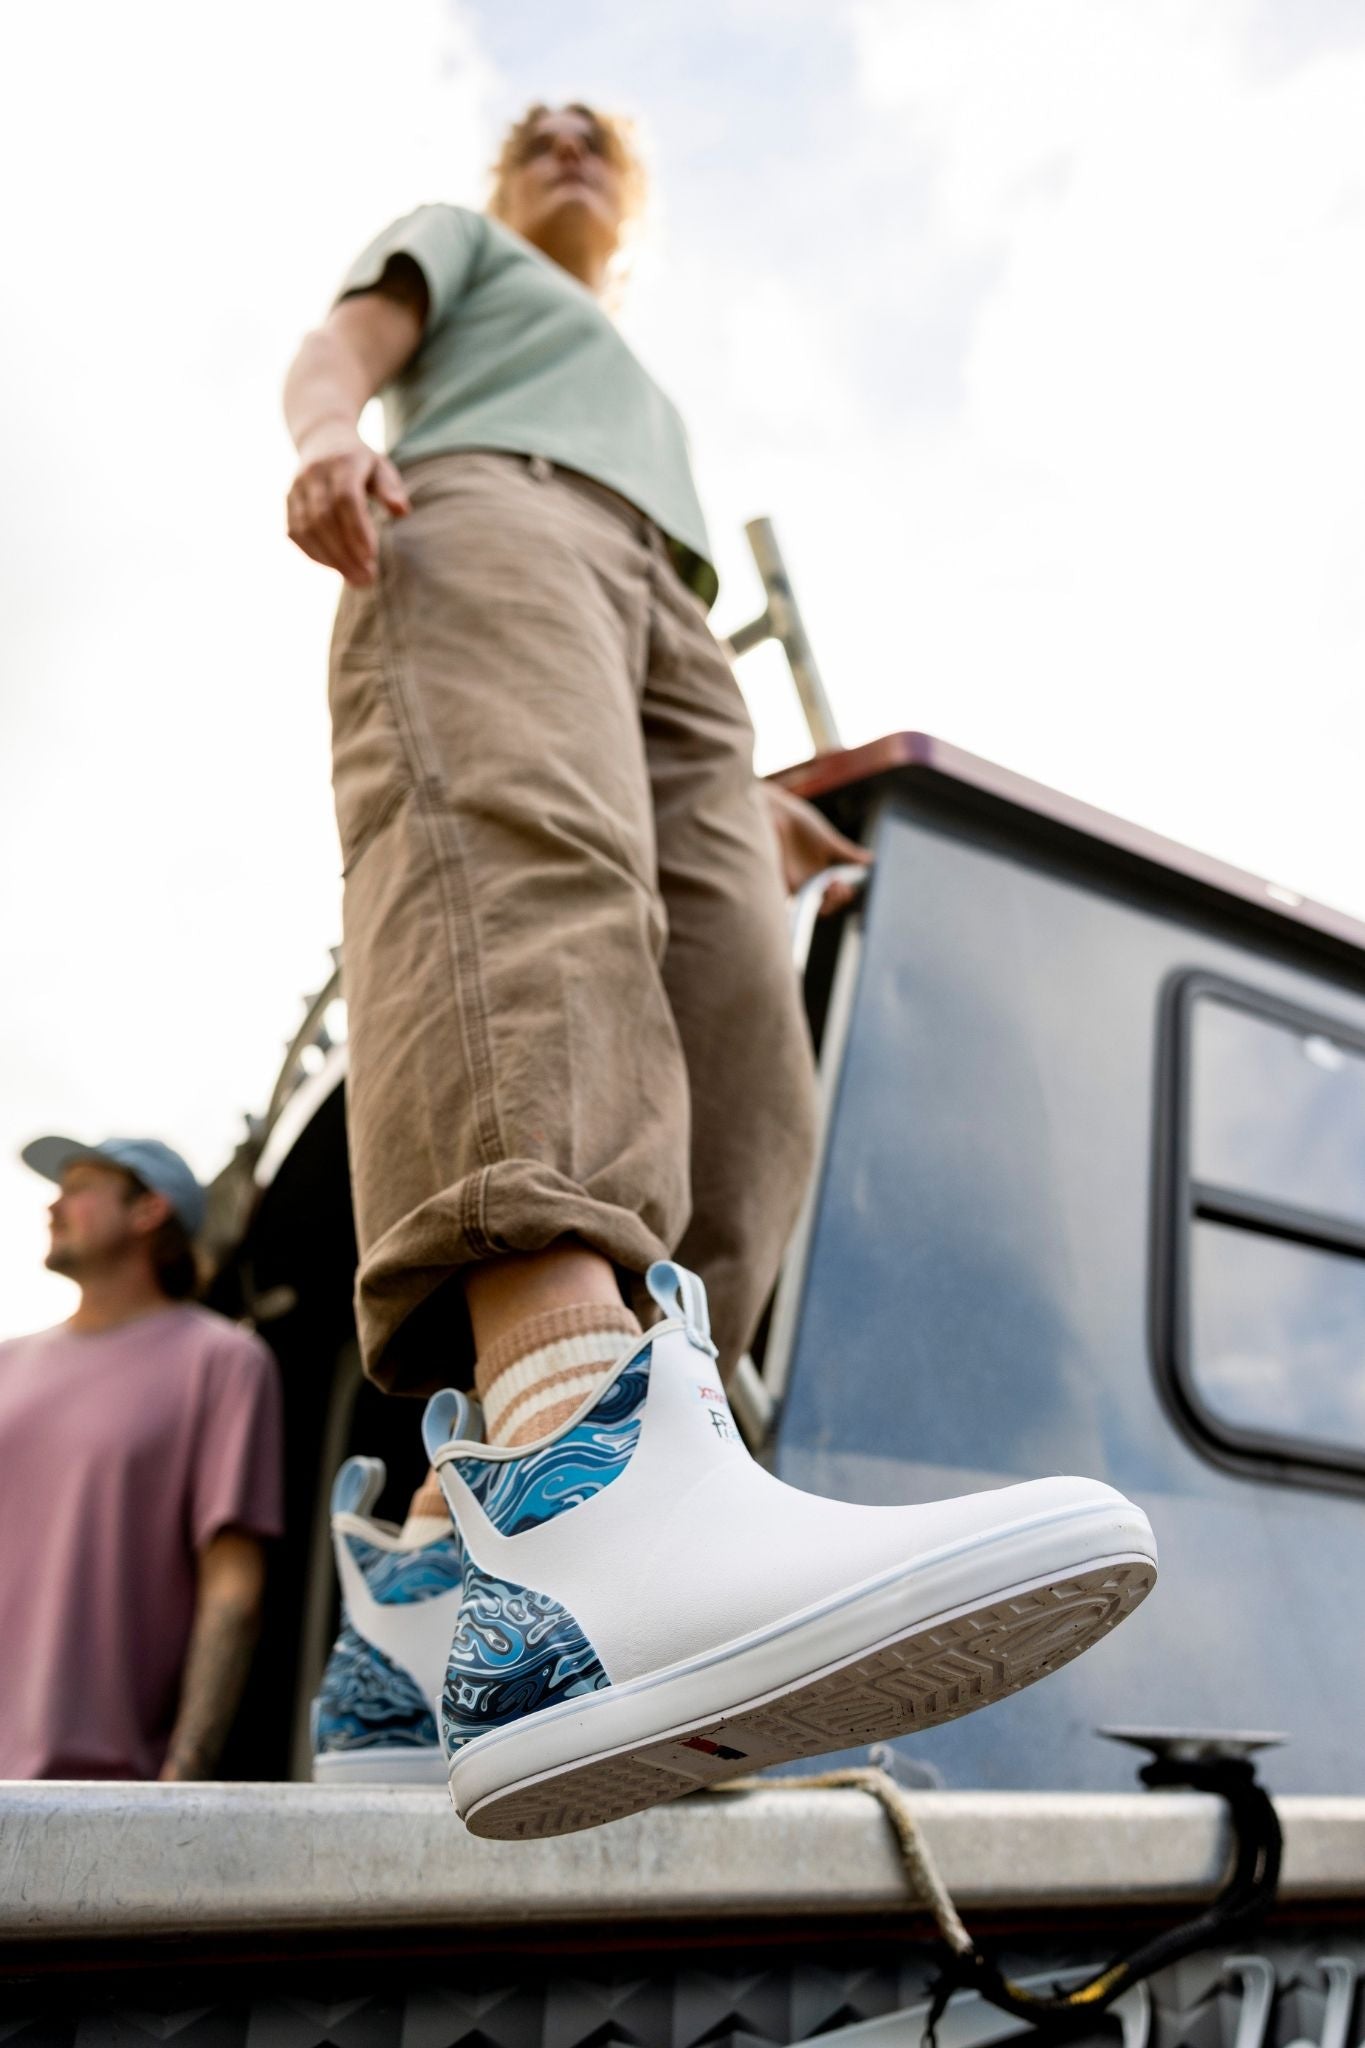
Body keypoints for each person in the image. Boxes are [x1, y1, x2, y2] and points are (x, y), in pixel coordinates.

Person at [284, 104, 1156, 1834]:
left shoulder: (634, 377)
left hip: (668, 617)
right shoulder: (467, 252)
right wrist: (326, 429)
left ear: (638, 201)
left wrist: (726, 808)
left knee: (748, 1054)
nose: (563, 142)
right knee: (524, 859)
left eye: (595, 137)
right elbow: (342, 342)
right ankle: (584, 1468)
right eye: (537, 133)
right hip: (486, 509)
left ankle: (444, 1615)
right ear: (501, 184)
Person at [0, 1136, 283, 1781]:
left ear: (149, 1210)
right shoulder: (5, 1366)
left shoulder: (221, 1362)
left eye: (79, 1188)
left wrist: (179, 1783)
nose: (53, 1206)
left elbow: (233, 1588)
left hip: (92, 1794)